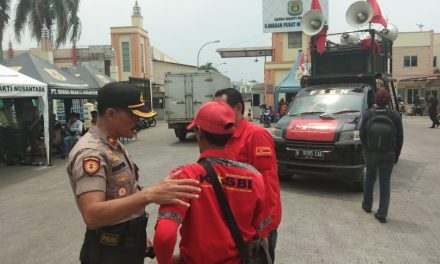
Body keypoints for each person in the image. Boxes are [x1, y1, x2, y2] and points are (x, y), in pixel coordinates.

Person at [67, 82, 201, 264]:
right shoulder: (92, 154)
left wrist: (138, 234)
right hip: (108, 253)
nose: (139, 121)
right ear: (110, 113)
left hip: (126, 244)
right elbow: (93, 215)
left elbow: (125, 193)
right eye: (133, 116)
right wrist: (150, 195)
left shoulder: (113, 144)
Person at [154, 101, 270, 264]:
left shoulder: (184, 175)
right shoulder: (254, 177)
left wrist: (165, 261)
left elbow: (165, 236)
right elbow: (260, 230)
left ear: (199, 133)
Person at [215, 88, 282, 262]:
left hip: (257, 229)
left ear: (238, 107)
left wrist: (263, 231)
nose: (217, 113)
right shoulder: (226, 137)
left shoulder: (256, 136)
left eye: (221, 108)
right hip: (236, 224)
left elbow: (268, 187)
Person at [360, 89, 404, 223]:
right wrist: (396, 155)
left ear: (375, 100)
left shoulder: (368, 114)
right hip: (388, 153)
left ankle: (367, 205)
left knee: (370, 178)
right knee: (385, 183)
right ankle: (382, 213)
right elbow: (400, 137)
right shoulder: (395, 115)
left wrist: (366, 150)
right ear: (389, 101)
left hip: (371, 153)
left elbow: (362, 135)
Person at [0, 99, 22, 166]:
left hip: (7, 129)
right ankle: (11, 160)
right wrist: (16, 127)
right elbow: (10, 121)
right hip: (8, 129)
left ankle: (11, 160)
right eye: (11, 102)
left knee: (9, 146)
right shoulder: (6, 110)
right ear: (7, 103)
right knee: (11, 145)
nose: (12, 103)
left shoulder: (7, 110)